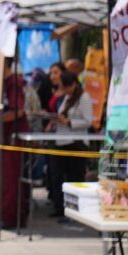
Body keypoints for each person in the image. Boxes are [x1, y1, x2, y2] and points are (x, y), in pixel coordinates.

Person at [0, 56, 29, 229]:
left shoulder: (14, 82)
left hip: (12, 138)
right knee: (4, 180)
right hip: (1, 137)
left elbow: (18, 111)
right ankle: (7, 215)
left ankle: (11, 218)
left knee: (10, 180)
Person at [45, 70, 93, 219]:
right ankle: (60, 207)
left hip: (76, 143)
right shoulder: (67, 97)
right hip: (61, 140)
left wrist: (70, 123)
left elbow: (88, 121)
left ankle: (75, 210)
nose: (64, 90)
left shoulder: (84, 98)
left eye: (66, 87)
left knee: (75, 177)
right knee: (58, 176)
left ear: (73, 84)